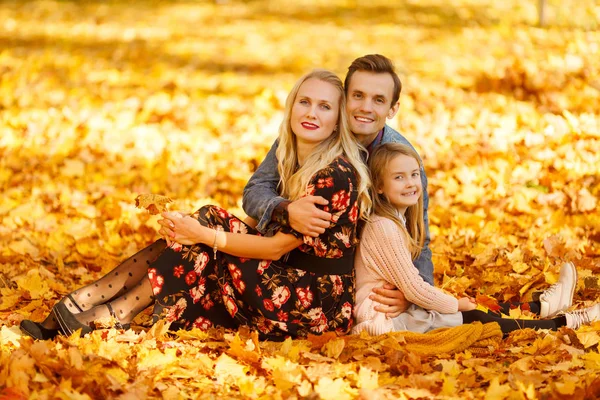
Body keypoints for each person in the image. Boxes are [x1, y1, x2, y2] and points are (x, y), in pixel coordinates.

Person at [20, 69, 372, 341]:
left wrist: (203, 234)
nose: (311, 112)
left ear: (338, 118)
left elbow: (277, 247)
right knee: (205, 222)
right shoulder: (293, 153)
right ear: (292, 105)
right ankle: (90, 305)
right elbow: (254, 197)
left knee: (204, 232)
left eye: (325, 106)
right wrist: (198, 231)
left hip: (310, 301)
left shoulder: (335, 174)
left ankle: (98, 308)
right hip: (288, 275)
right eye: (305, 101)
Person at [243, 54, 430, 317]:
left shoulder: (401, 161)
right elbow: (256, 190)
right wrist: (285, 209)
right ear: (344, 99)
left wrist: (413, 296)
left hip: (344, 284)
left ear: (392, 109)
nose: (365, 107)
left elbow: (418, 234)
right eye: (358, 95)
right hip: (292, 257)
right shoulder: (310, 131)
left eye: (378, 100)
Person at [352, 142, 599, 336]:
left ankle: (542, 307)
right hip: (383, 321)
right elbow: (414, 288)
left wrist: (456, 303)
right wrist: (456, 304)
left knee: (477, 307)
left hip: (395, 312)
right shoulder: (383, 226)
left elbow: (412, 287)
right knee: (475, 317)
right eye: (399, 177)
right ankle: (567, 322)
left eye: (414, 174)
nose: (410, 183)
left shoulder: (396, 220)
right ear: (379, 186)